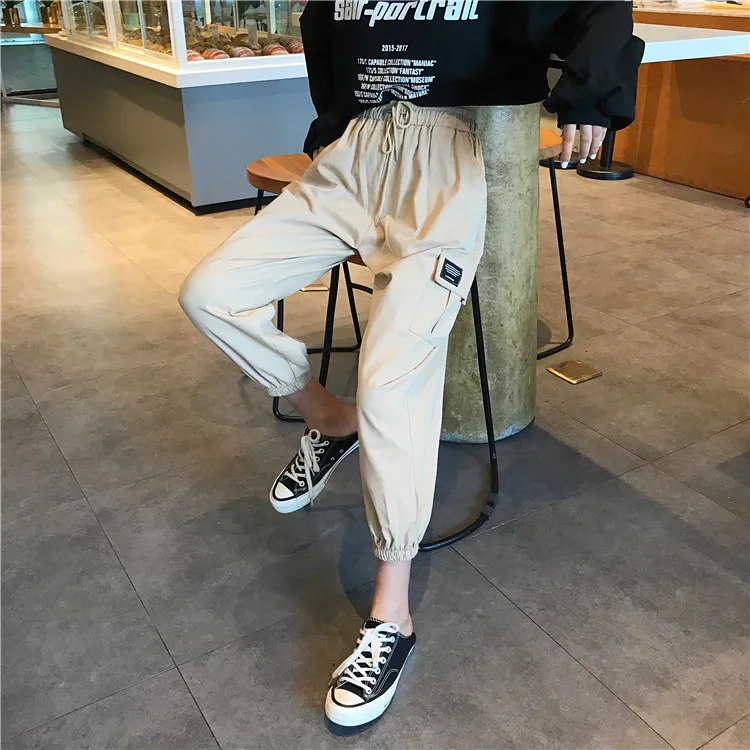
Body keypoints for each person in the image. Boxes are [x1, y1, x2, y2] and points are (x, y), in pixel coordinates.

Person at [180, 0, 643, 728]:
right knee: (209, 293)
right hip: (356, 153)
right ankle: (330, 420)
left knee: (390, 382)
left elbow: (595, 5)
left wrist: (594, 88)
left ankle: (391, 616)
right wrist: (331, 126)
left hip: (442, 161)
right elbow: (322, 25)